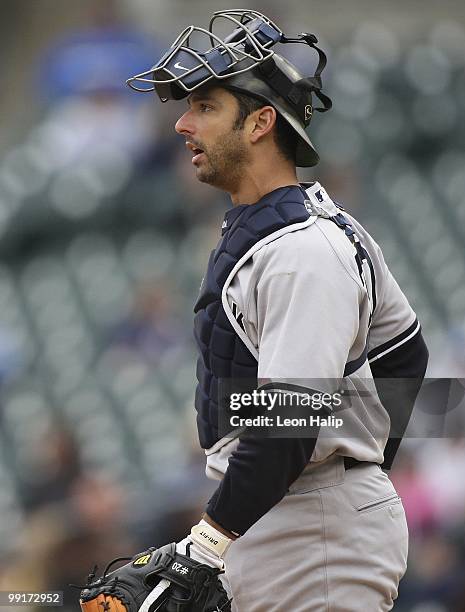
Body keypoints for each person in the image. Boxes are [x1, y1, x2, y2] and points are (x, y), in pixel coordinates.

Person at [125, 10, 429, 611]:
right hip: (295, 513)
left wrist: (209, 541)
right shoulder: (285, 231)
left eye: (206, 106)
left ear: (262, 121)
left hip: (313, 527)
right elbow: (405, 354)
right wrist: (357, 460)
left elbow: (290, 416)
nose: (183, 123)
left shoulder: (302, 251)